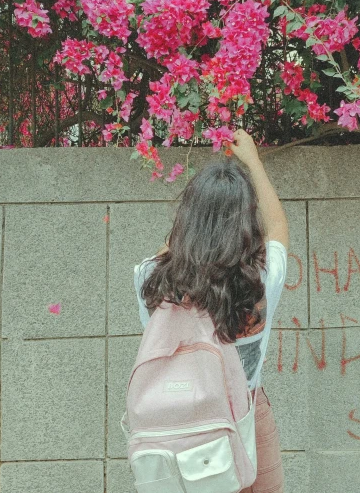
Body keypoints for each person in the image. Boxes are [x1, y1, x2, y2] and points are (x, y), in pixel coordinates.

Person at [133, 128, 288, 493]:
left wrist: (199, 217)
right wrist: (252, 160)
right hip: (246, 416)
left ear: (187, 219)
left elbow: (170, 250)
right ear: (247, 223)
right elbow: (278, 227)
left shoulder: (151, 280)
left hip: (177, 424)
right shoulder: (261, 279)